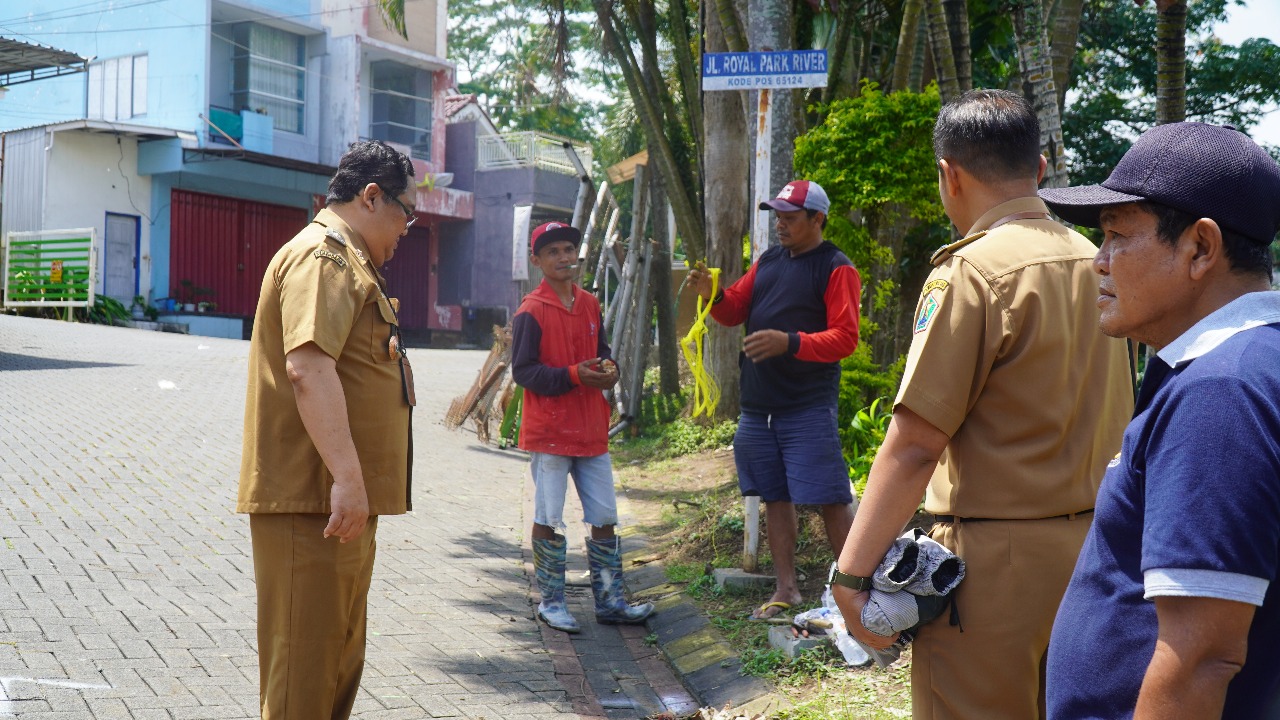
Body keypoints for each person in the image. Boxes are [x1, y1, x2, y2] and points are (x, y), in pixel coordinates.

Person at [829, 89, 1133, 719]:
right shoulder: (1098, 259)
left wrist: (852, 578)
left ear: (949, 174)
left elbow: (915, 444)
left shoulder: (970, 273)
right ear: (1041, 169)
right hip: (1098, 552)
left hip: (995, 568)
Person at [1039, 122, 1280, 718]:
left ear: (1200, 248)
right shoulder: (1238, 365)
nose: (1099, 263)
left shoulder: (1223, 389)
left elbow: (1203, 655)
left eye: (1118, 236)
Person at [237, 140, 418, 720]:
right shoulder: (325, 258)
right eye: (404, 213)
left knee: (333, 668)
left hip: (335, 506)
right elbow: (308, 367)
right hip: (313, 501)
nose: (407, 228)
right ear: (371, 196)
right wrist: (347, 478)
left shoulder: (349, 260)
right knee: (303, 683)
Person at [688, 179, 862, 621]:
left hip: (806, 404)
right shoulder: (768, 261)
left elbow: (845, 338)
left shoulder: (836, 267)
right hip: (758, 407)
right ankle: (787, 589)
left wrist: (790, 342)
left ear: (817, 219)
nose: (780, 225)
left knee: (830, 498)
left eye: (790, 217)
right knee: (774, 496)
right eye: (777, 216)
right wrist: (712, 292)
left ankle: (854, 597)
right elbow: (732, 312)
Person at [511, 221, 654, 633]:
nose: (563, 258)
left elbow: (603, 354)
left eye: (568, 249)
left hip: (591, 430)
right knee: (548, 516)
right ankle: (551, 602)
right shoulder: (530, 311)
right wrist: (576, 374)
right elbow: (524, 372)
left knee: (605, 515)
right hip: (551, 433)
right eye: (553, 251)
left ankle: (611, 602)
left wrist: (610, 371)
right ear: (537, 260)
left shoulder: (590, 304)